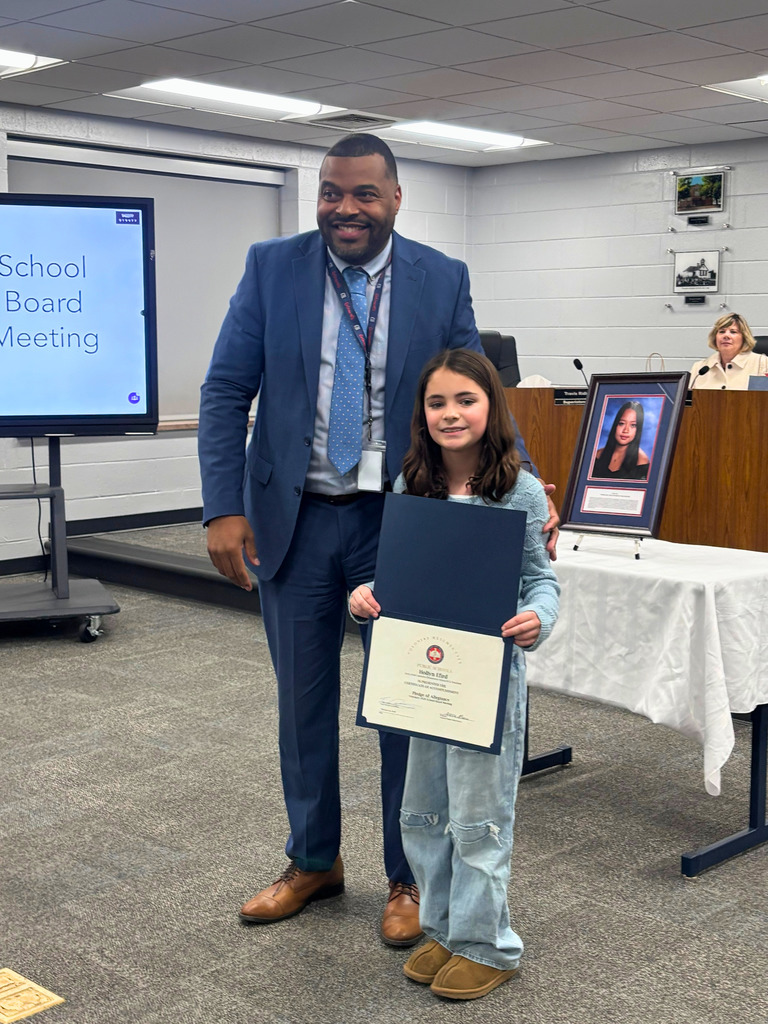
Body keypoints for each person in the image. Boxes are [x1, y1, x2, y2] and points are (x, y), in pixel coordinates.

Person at [198, 133, 558, 947]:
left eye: (362, 194)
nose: (344, 209)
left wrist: (521, 488)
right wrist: (223, 505)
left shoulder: (440, 277)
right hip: (294, 517)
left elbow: (477, 390)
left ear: (395, 199)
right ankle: (313, 859)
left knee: (406, 701)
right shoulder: (272, 267)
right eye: (330, 192)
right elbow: (225, 391)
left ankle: (408, 875)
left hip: (403, 520)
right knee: (303, 702)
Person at [349, 348, 559, 1000]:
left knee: (479, 816)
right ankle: (442, 929)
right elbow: (409, 575)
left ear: (491, 406)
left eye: (465, 400)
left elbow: (539, 581)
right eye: (437, 403)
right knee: (424, 813)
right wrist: (370, 594)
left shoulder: (518, 489)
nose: (450, 413)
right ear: (422, 415)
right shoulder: (413, 485)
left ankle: (487, 945)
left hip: (488, 682)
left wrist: (536, 618)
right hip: (423, 683)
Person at [690, 312, 768, 390]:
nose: (726, 336)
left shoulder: (762, 363)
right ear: (715, 337)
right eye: (722, 331)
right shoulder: (700, 368)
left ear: (744, 338)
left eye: (733, 332)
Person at [590, 400, 649, 480]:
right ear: (615, 425)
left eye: (633, 425)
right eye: (621, 423)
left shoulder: (642, 461)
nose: (626, 430)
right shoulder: (598, 454)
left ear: (638, 430)